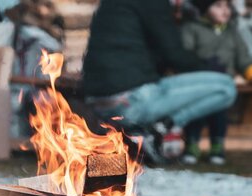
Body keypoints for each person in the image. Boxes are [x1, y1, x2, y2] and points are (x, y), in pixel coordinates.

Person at [82, 0, 237, 164]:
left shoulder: (114, 5)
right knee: (226, 87)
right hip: (133, 99)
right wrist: (208, 67)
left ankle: (150, 130)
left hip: (97, 100)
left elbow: (153, 55)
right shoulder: (154, 3)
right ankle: (158, 128)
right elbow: (174, 55)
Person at [180, 0, 252, 165]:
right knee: (196, 113)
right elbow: (184, 54)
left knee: (219, 116)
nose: (225, 11)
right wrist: (200, 65)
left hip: (223, 84)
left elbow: (243, 57)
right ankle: (191, 144)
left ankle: (217, 145)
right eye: (218, 6)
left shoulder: (232, 32)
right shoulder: (192, 28)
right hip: (199, 83)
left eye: (227, 7)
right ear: (204, 9)